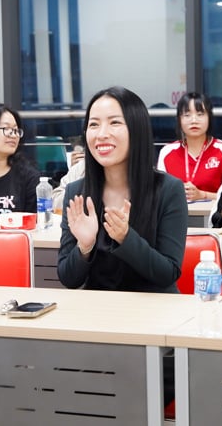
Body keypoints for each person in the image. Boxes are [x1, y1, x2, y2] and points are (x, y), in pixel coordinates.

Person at [57, 86, 187, 293]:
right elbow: (68, 278)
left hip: (155, 307)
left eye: (114, 122)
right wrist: (84, 246)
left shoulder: (168, 189)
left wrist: (126, 238)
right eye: (94, 124)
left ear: (137, 129)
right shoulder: (76, 193)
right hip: (99, 308)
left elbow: (167, 274)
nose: (102, 134)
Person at [156, 92, 222, 202]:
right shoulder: (167, 152)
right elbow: (159, 196)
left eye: (200, 114)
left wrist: (203, 195)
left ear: (209, 118)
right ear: (179, 119)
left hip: (213, 212)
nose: (194, 120)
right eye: (187, 115)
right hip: (177, 212)